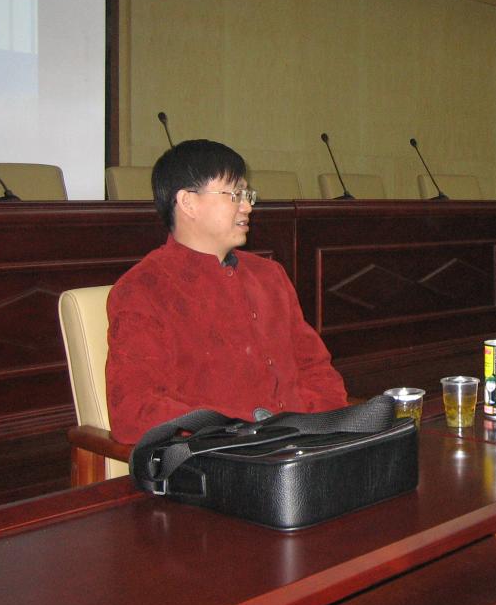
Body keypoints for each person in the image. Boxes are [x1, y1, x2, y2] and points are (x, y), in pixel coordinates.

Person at [106, 139, 349, 444]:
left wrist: (325, 426)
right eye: (235, 195)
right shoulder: (143, 290)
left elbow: (315, 368)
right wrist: (240, 428)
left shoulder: (269, 276)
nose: (248, 206)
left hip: (300, 446)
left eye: (247, 195)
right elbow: (132, 411)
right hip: (219, 455)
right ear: (188, 202)